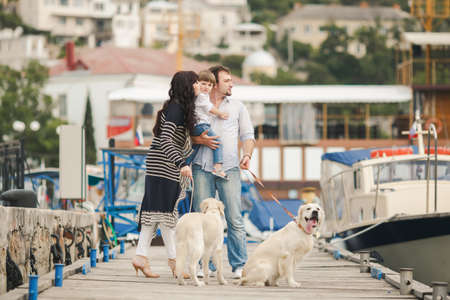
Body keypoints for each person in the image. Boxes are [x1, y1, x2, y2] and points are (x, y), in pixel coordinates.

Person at [191, 65, 255, 279]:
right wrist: (199, 140)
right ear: (215, 84)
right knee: (202, 219)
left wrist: (247, 155)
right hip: (201, 167)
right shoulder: (197, 104)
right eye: (227, 80)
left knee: (234, 218)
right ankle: (202, 265)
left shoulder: (237, 106)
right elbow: (187, 134)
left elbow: (248, 136)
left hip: (229, 168)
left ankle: (239, 266)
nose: (232, 84)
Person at [132, 71, 197, 278]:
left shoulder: (175, 107)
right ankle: (175, 262)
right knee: (167, 214)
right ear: (188, 85)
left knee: (156, 213)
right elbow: (166, 140)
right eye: (195, 83)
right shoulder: (177, 109)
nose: (198, 86)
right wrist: (181, 163)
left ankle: (141, 257)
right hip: (165, 165)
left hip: (158, 164)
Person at [185, 70, 229, 179]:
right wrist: (220, 113)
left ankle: (185, 164)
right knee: (217, 142)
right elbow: (209, 108)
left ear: (213, 87)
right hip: (201, 125)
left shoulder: (200, 96)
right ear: (197, 83)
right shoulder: (201, 96)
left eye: (209, 85)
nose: (206, 87)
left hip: (197, 125)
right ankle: (217, 168)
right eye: (203, 83)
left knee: (196, 146)